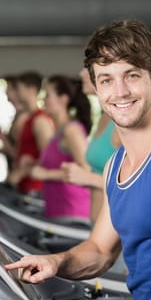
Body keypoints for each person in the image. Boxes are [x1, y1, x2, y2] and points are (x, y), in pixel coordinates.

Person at [5, 20, 151, 300]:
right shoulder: (115, 166)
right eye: (107, 80)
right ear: (96, 88)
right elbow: (99, 250)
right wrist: (56, 262)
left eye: (132, 75)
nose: (120, 91)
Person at [31, 75, 92, 223]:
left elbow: (86, 170)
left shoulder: (71, 131)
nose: (43, 99)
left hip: (73, 212)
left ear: (63, 99)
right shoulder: (57, 132)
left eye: (48, 94)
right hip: (58, 212)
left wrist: (46, 174)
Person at [62, 68, 120, 222]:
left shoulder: (122, 122)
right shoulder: (104, 118)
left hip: (119, 231)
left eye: (88, 68)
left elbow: (141, 186)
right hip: (98, 226)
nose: (81, 73)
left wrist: (89, 178)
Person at [7, 71, 54, 195]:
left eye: (19, 88)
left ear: (31, 90)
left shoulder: (40, 120)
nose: (16, 93)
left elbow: (49, 157)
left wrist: (22, 172)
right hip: (25, 187)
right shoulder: (28, 119)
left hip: (36, 188)